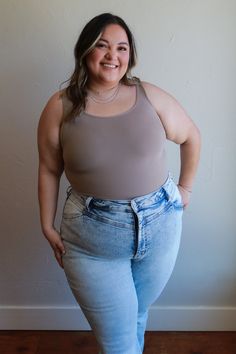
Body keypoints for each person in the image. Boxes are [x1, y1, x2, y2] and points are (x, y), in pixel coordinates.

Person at [37, 12, 201, 354]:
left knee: (137, 316)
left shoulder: (150, 96)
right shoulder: (59, 107)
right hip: (91, 241)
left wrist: (185, 190)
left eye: (122, 48)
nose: (113, 55)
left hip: (161, 227)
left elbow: (191, 137)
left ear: (130, 56)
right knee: (118, 344)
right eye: (103, 45)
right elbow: (49, 169)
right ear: (85, 51)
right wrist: (46, 225)